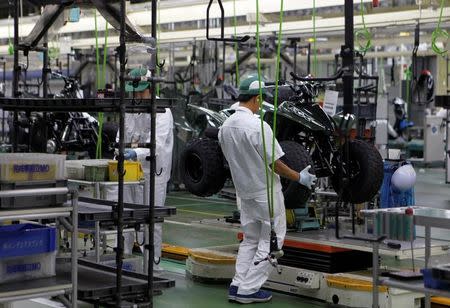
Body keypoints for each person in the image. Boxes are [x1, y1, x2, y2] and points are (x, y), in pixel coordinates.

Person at [218, 75, 316, 304]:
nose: (262, 104)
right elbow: (276, 164)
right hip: (265, 194)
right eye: (261, 99)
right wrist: (299, 177)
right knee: (272, 240)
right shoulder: (258, 126)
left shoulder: (225, 126)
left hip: (244, 194)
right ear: (256, 98)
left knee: (250, 239)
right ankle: (249, 290)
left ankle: (237, 284)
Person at [110, 67, 174, 270]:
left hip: (153, 174)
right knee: (126, 217)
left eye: (141, 91)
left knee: (151, 220)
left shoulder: (163, 111)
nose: (137, 95)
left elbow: (157, 144)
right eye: (134, 92)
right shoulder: (129, 109)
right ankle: (126, 262)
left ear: (151, 88)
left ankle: (152, 266)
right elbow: (121, 137)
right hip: (129, 172)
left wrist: (133, 152)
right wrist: (120, 151)